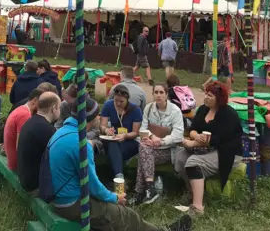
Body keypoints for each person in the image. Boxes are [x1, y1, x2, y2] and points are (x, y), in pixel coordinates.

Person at [48, 98, 192, 231]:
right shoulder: (80, 144)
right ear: (91, 119)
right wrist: (115, 198)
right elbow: (91, 185)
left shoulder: (61, 132)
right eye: (97, 115)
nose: (99, 118)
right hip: (72, 204)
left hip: (60, 197)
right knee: (126, 215)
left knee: (111, 207)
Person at [174, 81, 242, 215]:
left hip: (227, 152)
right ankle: (191, 192)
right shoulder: (203, 109)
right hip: (205, 147)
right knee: (181, 157)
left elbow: (217, 140)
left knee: (194, 163)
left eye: (210, 95)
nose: (206, 97)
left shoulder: (228, 114)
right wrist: (196, 136)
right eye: (206, 94)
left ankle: (197, 207)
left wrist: (193, 143)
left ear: (219, 98)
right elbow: (193, 129)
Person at [129, 84, 184, 205]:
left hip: (168, 151)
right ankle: (149, 189)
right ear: (153, 94)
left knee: (143, 154)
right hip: (150, 147)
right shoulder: (149, 108)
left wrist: (161, 141)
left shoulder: (175, 111)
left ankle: (140, 193)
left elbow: (178, 135)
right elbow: (143, 128)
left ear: (166, 95)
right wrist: (152, 137)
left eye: (161, 92)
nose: (158, 95)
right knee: (144, 150)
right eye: (156, 92)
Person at [17, 91, 61, 193]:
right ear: (53, 108)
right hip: (35, 185)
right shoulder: (47, 129)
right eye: (59, 108)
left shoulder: (31, 121)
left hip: (25, 178)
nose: (59, 111)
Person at [99, 84, 142, 179]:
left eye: (121, 101)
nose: (118, 104)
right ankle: (119, 177)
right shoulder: (108, 105)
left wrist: (125, 136)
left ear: (127, 100)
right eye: (116, 101)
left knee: (114, 153)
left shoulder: (135, 110)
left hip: (129, 141)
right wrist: (106, 130)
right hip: (113, 139)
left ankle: (116, 178)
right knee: (113, 145)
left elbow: (135, 132)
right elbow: (102, 125)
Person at [4, 88, 44, 171]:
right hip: (16, 163)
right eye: (43, 103)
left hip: (11, 157)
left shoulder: (22, 109)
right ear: (35, 100)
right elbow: (20, 146)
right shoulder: (25, 115)